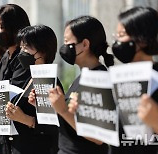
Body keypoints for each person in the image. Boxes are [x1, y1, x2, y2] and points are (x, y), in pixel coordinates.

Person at [47, 15, 114, 154]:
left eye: (68, 42)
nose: (64, 47)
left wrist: (63, 111)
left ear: (85, 44)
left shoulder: (99, 79)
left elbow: (98, 137)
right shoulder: (83, 77)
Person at [109, 6, 158, 154]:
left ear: (142, 40)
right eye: (116, 35)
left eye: (121, 34)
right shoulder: (113, 81)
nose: (116, 41)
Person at [5, 25, 63, 154]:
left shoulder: (49, 82)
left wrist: (25, 119)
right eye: (21, 47)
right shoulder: (30, 77)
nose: (22, 52)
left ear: (43, 50)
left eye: (26, 47)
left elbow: (55, 126)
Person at [0, 4, 31, 154]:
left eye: (1, 27)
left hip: (21, 140)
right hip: (1, 138)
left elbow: (14, 93)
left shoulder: (26, 58)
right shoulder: (4, 58)